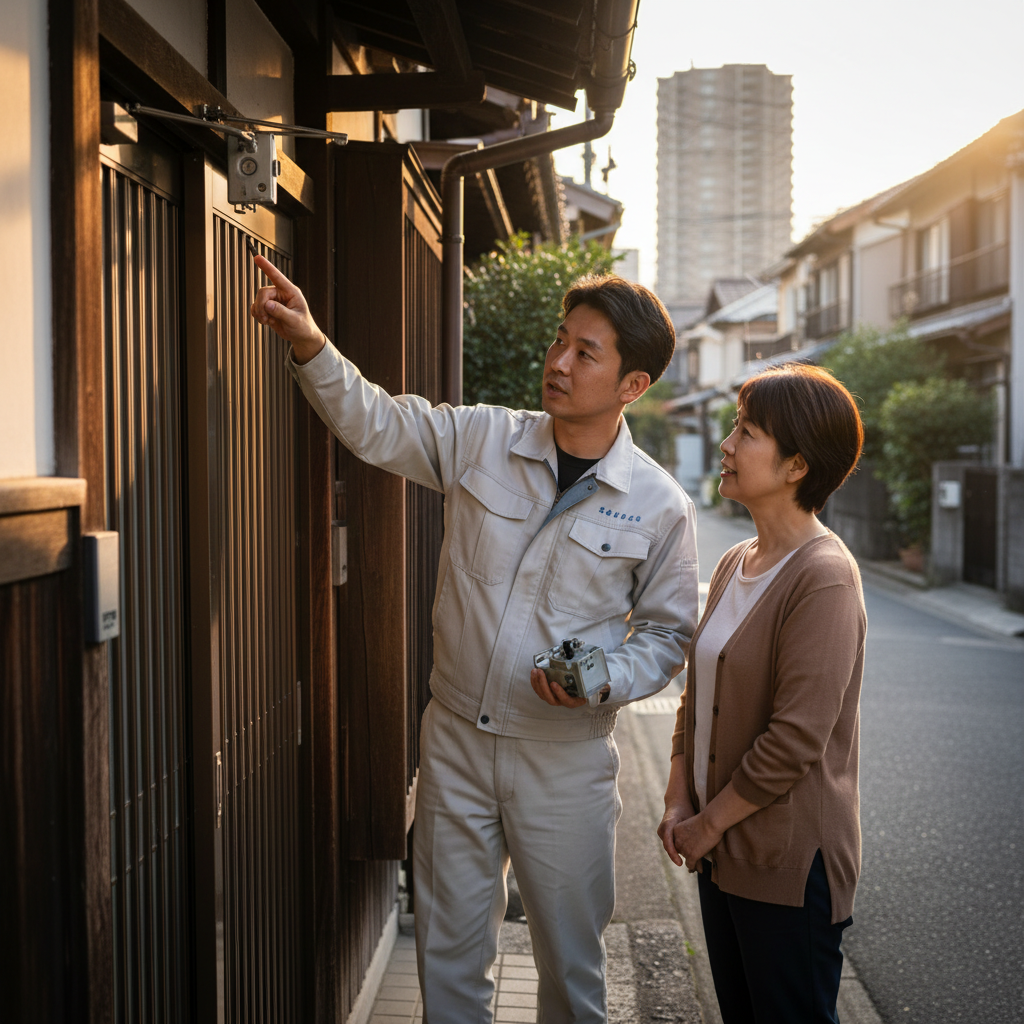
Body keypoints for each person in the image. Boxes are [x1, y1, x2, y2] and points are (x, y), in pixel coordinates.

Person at [250, 257, 699, 1024]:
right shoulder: (485, 438)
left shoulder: (659, 504)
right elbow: (379, 423)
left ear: (633, 385)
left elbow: (667, 635)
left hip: (564, 757)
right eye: (561, 341)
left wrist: (603, 679)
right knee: (448, 964)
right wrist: (309, 343)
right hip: (453, 739)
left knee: (571, 973)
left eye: (585, 353)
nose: (558, 362)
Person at [657, 363, 866, 1024]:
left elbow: (795, 738)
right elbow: (697, 699)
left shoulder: (824, 577)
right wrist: (675, 800)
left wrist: (705, 823)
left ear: (797, 464)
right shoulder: (735, 561)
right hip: (719, 852)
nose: (726, 444)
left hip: (784, 864)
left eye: (745, 432)